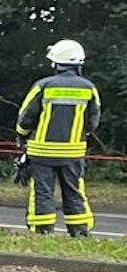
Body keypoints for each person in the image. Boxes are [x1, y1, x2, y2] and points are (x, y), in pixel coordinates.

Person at [17, 39, 103, 237]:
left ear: (56, 63)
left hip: (41, 151)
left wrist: (21, 137)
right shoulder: (89, 88)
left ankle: (43, 230)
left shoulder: (43, 86)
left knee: (42, 190)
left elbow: (26, 116)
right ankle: (79, 231)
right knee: (74, 190)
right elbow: (92, 122)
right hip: (73, 152)